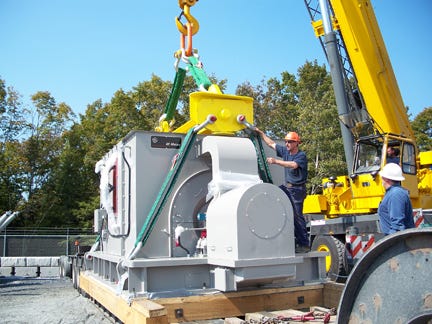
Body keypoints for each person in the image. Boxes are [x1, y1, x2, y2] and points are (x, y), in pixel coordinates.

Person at [255, 128, 310, 253]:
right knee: (272, 196)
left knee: (297, 216)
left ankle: (304, 244)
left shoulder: (301, 156)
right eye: (286, 142)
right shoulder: (285, 151)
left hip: (297, 190)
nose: (287, 144)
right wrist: (261, 133)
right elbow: (271, 143)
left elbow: (293, 165)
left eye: (290, 142)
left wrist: (275, 161)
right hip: (287, 187)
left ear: (297, 143)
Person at [378, 163, 414, 235]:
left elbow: (397, 226)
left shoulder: (396, 194)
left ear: (386, 179)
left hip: (399, 242)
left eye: (382, 177)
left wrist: (390, 242)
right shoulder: (393, 193)